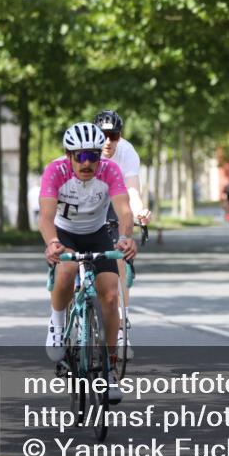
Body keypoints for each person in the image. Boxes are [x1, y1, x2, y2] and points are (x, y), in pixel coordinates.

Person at [39, 122, 137, 404]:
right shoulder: (55, 171)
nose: (87, 163)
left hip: (97, 234)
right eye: (80, 156)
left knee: (110, 295)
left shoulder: (109, 170)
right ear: (68, 155)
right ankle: (57, 323)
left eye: (93, 156)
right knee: (67, 269)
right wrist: (52, 242)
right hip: (65, 233)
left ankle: (109, 371)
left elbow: (124, 211)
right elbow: (45, 217)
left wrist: (125, 238)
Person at [93, 110, 150, 360]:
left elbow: (132, 191)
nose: (108, 141)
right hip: (88, 205)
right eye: (103, 135)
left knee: (119, 261)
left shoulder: (126, 152)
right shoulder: (85, 151)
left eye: (114, 135)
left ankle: (120, 326)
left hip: (115, 204)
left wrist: (140, 212)